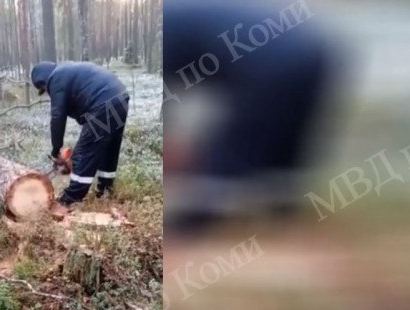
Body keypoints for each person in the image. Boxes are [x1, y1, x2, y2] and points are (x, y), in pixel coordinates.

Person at [163, 0, 338, 234]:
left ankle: (188, 231)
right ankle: (284, 223)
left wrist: (168, 150)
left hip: (269, 64)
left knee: (226, 165)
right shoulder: (173, 13)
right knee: (280, 157)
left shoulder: (163, 28)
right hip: (313, 52)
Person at [30, 61, 130, 213]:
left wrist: (56, 149)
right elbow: (81, 109)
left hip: (103, 104)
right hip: (120, 98)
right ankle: (105, 189)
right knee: (109, 147)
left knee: (85, 152)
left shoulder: (56, 79)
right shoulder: (68, 71)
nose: (47, 92)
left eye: (44, 89)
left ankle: (70, 199)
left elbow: (58, 116)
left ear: (43, 81)